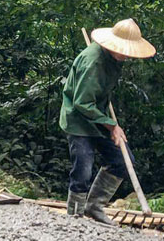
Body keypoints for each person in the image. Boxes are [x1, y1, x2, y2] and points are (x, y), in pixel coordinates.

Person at [59, 18, 155, 224]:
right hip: (79, 120)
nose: (128, 55)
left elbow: (101, 95)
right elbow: (82, 103)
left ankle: (94, 206)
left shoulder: (114, 60)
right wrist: (111, 125)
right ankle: (74, 215)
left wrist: (110, 124)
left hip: (99, 117)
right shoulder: (93, 62)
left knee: (121, 160)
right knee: (83, 168)